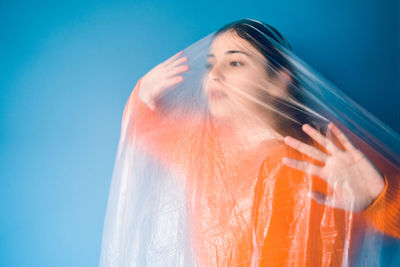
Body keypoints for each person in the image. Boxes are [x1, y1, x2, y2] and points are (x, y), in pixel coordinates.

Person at [100, 19, 400, 266]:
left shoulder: (333, 154)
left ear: (279, 81)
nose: (214, 76)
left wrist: (377, 197)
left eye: (235, 63)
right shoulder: (199, 147)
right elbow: (142, 130)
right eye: (209, 65)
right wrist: (142, 93)